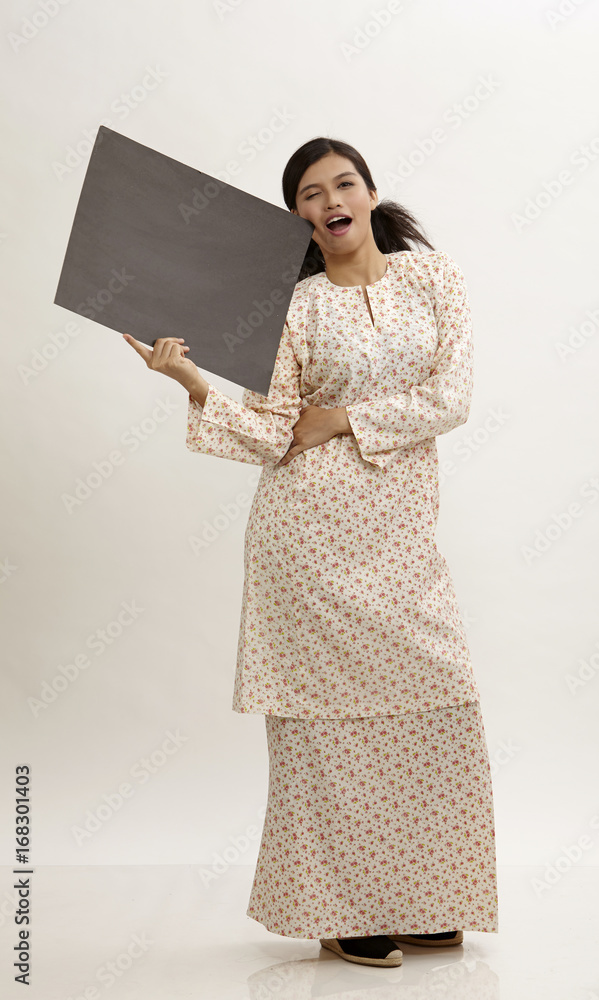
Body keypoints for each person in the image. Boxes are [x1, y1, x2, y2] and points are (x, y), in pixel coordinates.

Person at [123, 136, 499, 970]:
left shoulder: (433, 279)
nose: (329, 200)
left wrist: (345, 419)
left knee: (435, 707)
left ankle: (423, 897)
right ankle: (341, 908)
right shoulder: (294, 305)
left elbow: (452, 395)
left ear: (368, 193)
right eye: (309, 193)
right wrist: (188, 382)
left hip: (400, 540)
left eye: (343, 183)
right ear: (297, 213)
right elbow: (270, 427)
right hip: (306, 543)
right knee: (324, 734)